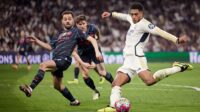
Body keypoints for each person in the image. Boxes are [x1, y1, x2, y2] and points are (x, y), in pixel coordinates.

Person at [97, 2, 193, 112]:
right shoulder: (131, 19)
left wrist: (177, 40)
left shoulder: (145, 24)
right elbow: (124, 16)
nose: (133, 16)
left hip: (137, 57)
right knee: (115, 84)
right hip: (128, 60)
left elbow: (160, 32)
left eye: (136, 14)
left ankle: (178, 67)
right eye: (132, 14)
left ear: (141, 13)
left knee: (149, 81)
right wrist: (110, 14)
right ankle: (113, 107)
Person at [19, 10, 103, 106]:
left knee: (43, 65)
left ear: (72, 21)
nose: (67, 21)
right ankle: (74, 101)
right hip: (56, 59)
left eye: (69, 19)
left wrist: (97, 52)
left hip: (64, 59)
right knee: (57, 86)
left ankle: (30, 88)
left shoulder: (76, 31)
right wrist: (37, 41)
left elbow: (92, 39)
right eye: (65, 19)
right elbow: (50, 47)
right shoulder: (58, 34)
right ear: (62, 21)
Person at [72, 15, 114, 100]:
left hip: (94, 50)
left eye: (83, 23)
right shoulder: (74, 33)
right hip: (83, 53)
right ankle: (95, 91)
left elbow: (97, 35)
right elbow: (73, 49)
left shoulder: (93, 28)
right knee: (85, 75)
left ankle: (115, 86)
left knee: (102, 72)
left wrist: (97, 39)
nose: (82, 26)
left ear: (86, 23)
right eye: (79, 24)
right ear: (76, 24)